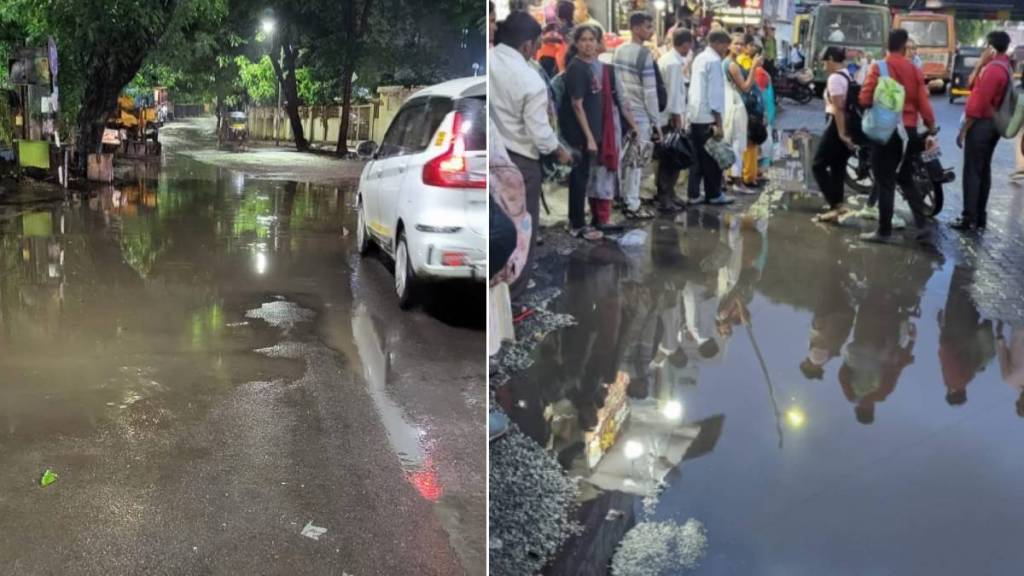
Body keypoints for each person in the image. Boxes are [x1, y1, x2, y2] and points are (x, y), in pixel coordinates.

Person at [491, 11, 573, 297]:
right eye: (538, 43)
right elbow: (540, 134)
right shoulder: (530, 80)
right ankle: (515, 293)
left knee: (496, 228)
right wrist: (560, 151)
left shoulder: (489, 61)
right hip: (520, 164)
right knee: (521, 231)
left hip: (492, 158)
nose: (539, 49)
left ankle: (496, 292)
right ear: (527, 45)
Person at [858, 28, 937, 244]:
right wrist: (930, 127)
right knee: (904, 177)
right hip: (908, 132)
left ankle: (883, 232)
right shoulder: (914, 70)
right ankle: (922, 225)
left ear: (888, 45)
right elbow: (924, 105)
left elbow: (864, 98)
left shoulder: (878, 67)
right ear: (904, 47)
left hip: (885, 132)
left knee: (885, 181)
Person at [955, 30, 1012, 232]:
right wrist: (980, 63)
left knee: (972, 171)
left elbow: (976, 105)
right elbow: (971, 84)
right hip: (992, 125)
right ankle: (979, 216)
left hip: (981, 125)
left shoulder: (993, 70)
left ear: (991, 48)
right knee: (983, 170)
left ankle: (969, 217)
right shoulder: (1004, 66)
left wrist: (964, 130)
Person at [613, 11, 662, 220]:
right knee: (636, 162)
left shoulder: (617, 51)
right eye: (647, 27)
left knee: (622, 158)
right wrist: (656, 122)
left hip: (622, 112)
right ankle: (632, 204)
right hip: (640, 114)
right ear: (635, 28)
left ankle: (623, 198)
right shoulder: (644, 55)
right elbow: (650, 93)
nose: (650, 31)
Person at [560, 25, 606, 240]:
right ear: (576, 43)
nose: (588, 43)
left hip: (589, 133)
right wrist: (589, 137)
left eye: (592, 39)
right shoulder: (577, 68)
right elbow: (577, 105)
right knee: (579, 178)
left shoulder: (590, 66)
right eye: (584, 40)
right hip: (579, 135)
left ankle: (579, 219)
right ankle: (577, 223)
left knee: (583, 176)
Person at [687, 30, 734, 205]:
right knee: (712, 159)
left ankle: (693, 194)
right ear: (718, 43)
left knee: (697, 159)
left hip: (695, 115)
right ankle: (713, 194)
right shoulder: (714, 61)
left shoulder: (699, 58)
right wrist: (719, 124)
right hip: (708, 117)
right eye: (725, 46)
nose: (726, 50)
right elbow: (715, 96)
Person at [812, 46, 856, 223]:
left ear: (830, 59)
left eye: (824, 61)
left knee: (818, 165)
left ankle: (836, 204)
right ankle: (836, 207)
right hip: (846, 124)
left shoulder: (835, 78)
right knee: (838, 167)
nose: (823, 66)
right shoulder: (847, 74)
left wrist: (841, 133)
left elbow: (839, 107)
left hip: (837, 125)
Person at [655, 28, 694, 213]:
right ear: (686, 44)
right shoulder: (672, 63)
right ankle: (664, 196)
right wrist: (677, 118)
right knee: (670, 158)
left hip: (669, 116)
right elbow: (673, 96)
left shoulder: (670, 60)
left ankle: (669, 193)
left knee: (672, 157)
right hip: (669, 118)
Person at [723, 33, 763, 193]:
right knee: (738, 144)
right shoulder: (731, 65)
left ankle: (731, 179)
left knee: (733, 143)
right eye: (736, 44)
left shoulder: (728, 62)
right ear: (728, 45)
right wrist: (754, 67)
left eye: (741, 44)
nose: (739, 47)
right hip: (735, 105)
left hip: (731, 104)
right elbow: (745, 87)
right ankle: (737, 181)